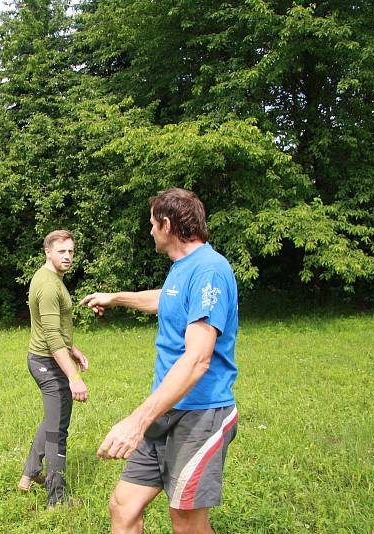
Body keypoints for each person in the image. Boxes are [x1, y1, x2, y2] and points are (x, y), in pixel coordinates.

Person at [80, 188, 238, 534]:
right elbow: (166, 299)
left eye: (152, 224)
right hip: (166, 409)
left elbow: (198, 359)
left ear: (167, 225)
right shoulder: (182, 268)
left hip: (201, 414)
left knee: (186, 524)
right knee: (123, 506)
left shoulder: (209, 270)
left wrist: (137, 421)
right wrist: (116, 297)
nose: (150, 231)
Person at [19, 229, 89, 507]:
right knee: (58, 431)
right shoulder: (48, 286)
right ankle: (57, 499)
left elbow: (54, 327)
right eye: (62, 251)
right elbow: (49, 334)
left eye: (71, 251)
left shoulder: (50, 277)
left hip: (46, 359)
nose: (68, 256)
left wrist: (73, 349)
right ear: (48, 252)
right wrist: (73, 375)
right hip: (48, 364)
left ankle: (29, 476)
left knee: (52, 420)